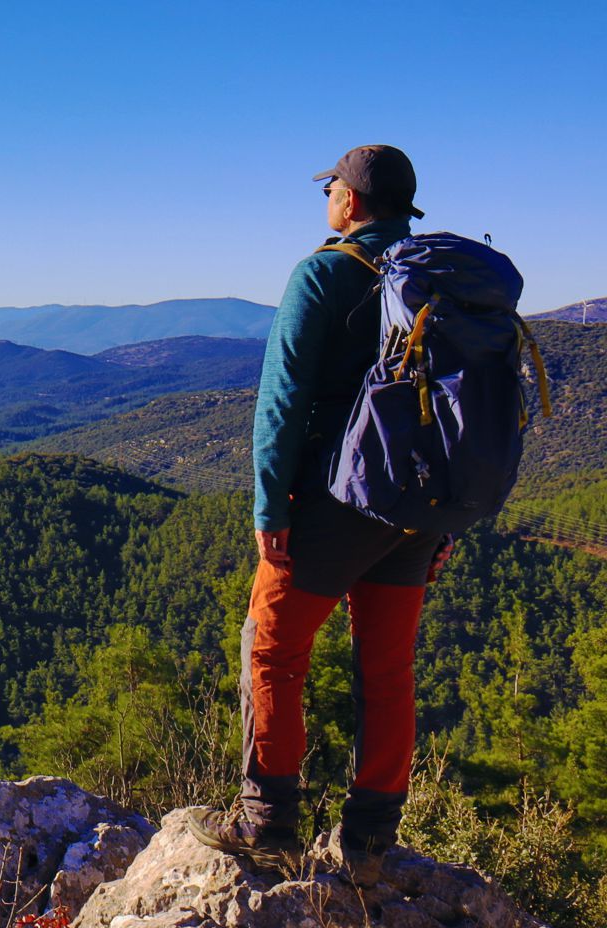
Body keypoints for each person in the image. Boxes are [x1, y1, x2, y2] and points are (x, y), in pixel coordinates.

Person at [187, 145, 451, 887]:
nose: (327, 196)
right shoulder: (440, 282)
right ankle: (368, 845)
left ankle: (267, 826)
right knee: (387, 669)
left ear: (353, 203)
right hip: (415, 509)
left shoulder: (326, 274)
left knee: (271, 649)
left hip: (332, 504)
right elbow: (461, 418)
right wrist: (447, 521)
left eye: (331, 186)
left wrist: (269, 505)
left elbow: (282, 403)